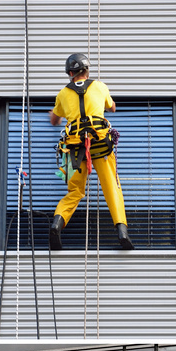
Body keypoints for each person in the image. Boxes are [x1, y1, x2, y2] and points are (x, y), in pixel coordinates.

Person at [48, 53, 134, 251]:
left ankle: (57, 224)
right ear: (87, 71)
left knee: (75, 192)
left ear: (70, 73)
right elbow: (112, 107)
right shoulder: (100, 86)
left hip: (74, 148)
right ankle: (122, 231)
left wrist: (55, 115)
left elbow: (55, 119)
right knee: (112, 186)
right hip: (101, 144)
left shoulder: (62, 94)